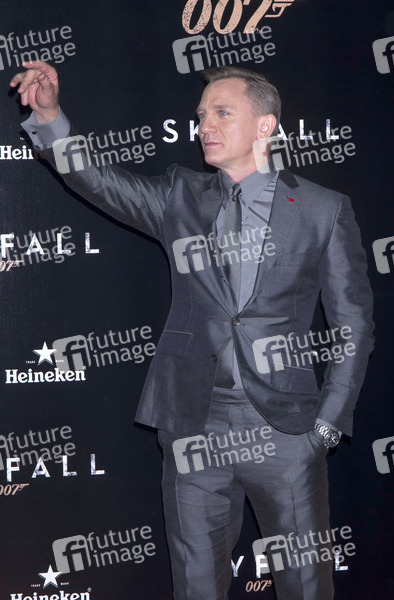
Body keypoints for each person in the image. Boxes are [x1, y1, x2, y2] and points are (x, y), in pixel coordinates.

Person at [10, 61, 374, 600]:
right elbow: (98, 179)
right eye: (202, 115)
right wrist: (50, 116)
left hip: (285, 429)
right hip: (192, 426)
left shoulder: (323, 209)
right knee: (196, 586)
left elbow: (353, 324)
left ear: (266, 125)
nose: (205, 125)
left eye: (222, 113)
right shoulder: (180, 195)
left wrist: (325, 427)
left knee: (305, 585)